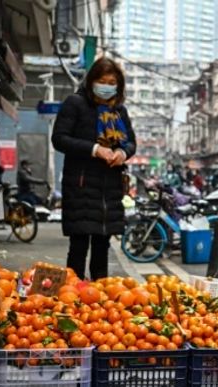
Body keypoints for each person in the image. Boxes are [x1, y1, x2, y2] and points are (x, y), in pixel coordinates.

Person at [52, 57, 136, 280]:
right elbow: (59, 139)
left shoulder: (119, 111)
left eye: (112, 82)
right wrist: (94, 149)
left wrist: (122, 153)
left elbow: (130, 142)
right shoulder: (75, 103)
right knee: (79, 245)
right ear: (91, 81)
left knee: (102, 245)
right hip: (80, 185)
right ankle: (73, 296)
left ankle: (99, 300)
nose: (107, 86)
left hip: (109, 189)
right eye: (102, 80)